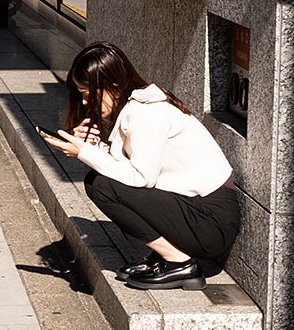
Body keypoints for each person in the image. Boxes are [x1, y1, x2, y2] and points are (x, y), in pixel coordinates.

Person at [40, 42, 239, 289]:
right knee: (97, 181)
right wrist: (92, 146)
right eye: (81, 94)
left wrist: (84, 152)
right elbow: (128, 168)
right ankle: (166, 256)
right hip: (197, 210)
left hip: (211, 220)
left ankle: (180, 262)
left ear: (113, 87)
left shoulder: (146, 113)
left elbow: (141, 178)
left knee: (102, 186)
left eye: (88, 93)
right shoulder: (136, 107)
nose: (84, 102)